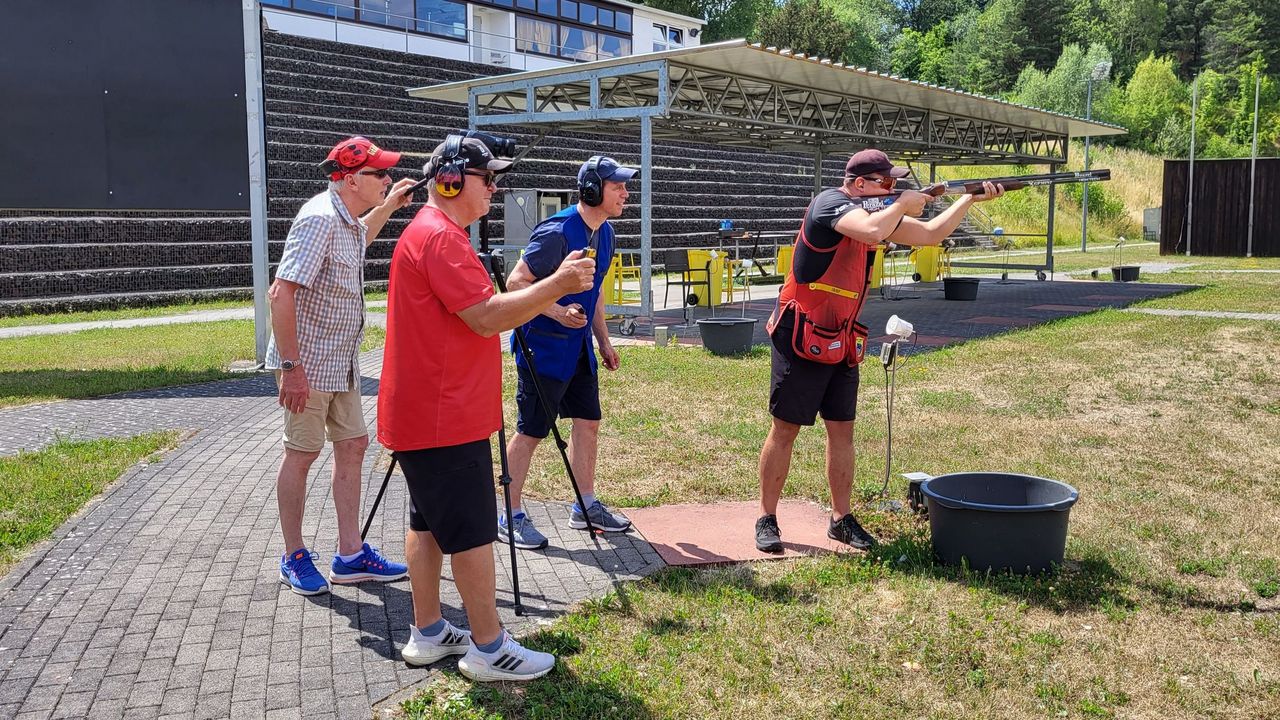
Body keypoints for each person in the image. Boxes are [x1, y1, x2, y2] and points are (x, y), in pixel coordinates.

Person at [376, 135, 597, 682]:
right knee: (473, 532)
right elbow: (488, 315)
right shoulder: (442, 239)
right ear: (450, 180)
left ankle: (428, 631)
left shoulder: (428, 233)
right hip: (444, 417)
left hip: (427, 413)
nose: (495, 190)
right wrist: (559, 285)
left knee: (426, 525)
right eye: (487, 179)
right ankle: (489, 647)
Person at [754, 149, 1004, 553]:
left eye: (894, 183)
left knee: (843, 431)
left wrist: (969, 198)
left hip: (842, 335)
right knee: (786, 429)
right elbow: (870, 231)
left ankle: (841, 518)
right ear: (858, 185)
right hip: (800, 333)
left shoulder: (876, 214)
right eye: (885, 182)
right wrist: (904, 202)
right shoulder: (830, 204)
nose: (892, 188)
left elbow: (930, 234)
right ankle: (767, 516)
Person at [268, 136, 417, 595]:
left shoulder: (346, 218)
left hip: (340, 362)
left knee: (353, 445)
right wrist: (292, 367)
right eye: (380, 174)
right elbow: (281, 293)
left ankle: (350, 554)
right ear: (351, 179)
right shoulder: (318, 220)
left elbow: (360, 238)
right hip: (309, 365)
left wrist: (389, 204)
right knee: (303, 453)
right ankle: (294, 556)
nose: (387, 178)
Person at [497, 156, 636, 551]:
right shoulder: (557, 231)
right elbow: (516, 281)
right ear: (593, 190)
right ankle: (510, 513)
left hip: (579, 351)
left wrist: (604, 340)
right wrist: (557, 311)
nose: (625, 193)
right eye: (617, 187)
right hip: (542, 348)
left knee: (588, 422)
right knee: (531, 431)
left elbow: (594, 291)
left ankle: (585, 505)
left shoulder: (605, 232)